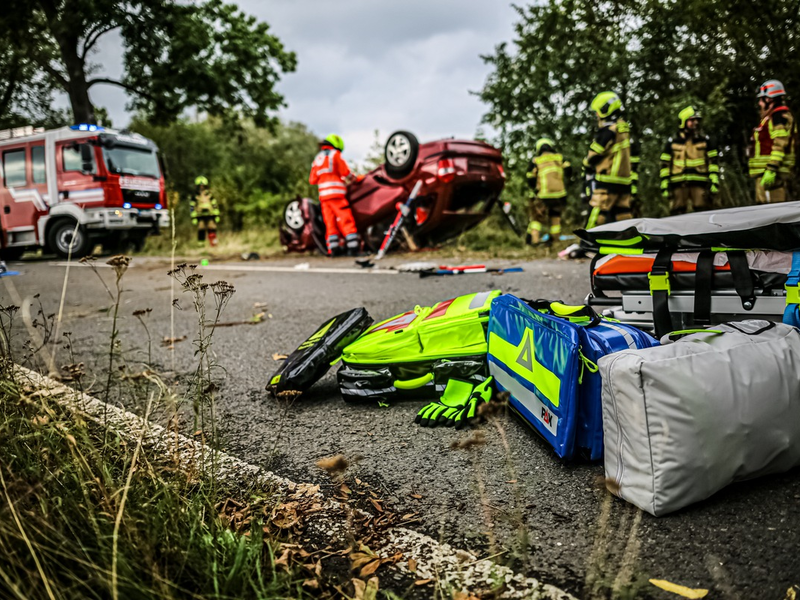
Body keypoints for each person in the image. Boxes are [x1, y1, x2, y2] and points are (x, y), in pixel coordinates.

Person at [583, 91, 633, 226]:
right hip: (624, 182)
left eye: (598, 112)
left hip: (606, 182)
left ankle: (588, 244)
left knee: (597, 216)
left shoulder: (608, 131)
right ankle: (627, 244)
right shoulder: (625, 130)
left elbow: (592, 157)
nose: (597, 115)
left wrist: (586, 166)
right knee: (623, 216)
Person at [660, 106, 720, 214]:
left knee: (703, 213)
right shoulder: (673, 141)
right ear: (683, 122)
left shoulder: (705, 140)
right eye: (692, 120)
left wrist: (714, 178)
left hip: (700, 183)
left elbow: (713, 161)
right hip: (678, 184)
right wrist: (664, 182)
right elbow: (665, 163)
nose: (695, 123)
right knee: (677, 214)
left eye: (697, 120)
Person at [308, 134, 360, 256]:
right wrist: (356, 179)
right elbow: (345, 173)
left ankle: (333, 249)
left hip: (324, 198)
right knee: (345, 219)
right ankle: (353, 248)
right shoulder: (335, 155)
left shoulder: (317, 159)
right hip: (336, 195)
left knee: (330, 223)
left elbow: (312, 180)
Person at [748, 80, 797, 203]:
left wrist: (772, 168)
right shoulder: (771, 117)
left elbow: (780, 143)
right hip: (766, 172)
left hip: (771, 173)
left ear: (769, 99)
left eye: (761, 99)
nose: (759, 103)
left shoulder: (778, 116)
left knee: (772, 214)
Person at [525, 137, 572, 245]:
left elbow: (530, 178)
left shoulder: (536, 160)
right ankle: (555, 241)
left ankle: (534, 241)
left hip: (544, 194)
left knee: (536, 218)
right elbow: (569, 170)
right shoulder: (559, 158)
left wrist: (535, 189)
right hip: (560, 194)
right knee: (555, 217)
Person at [191, 176, 220, 246]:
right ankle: (201, 244)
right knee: (201, 228)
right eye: (200, 185)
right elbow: (192, 206)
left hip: (210, 214)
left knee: (212, 228)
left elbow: (214, 204)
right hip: (200, 215)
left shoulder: (209, 194)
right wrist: (193, 217)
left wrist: (216, 215)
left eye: (203, 185)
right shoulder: (195, 195)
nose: (202, 187)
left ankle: (213, 242)